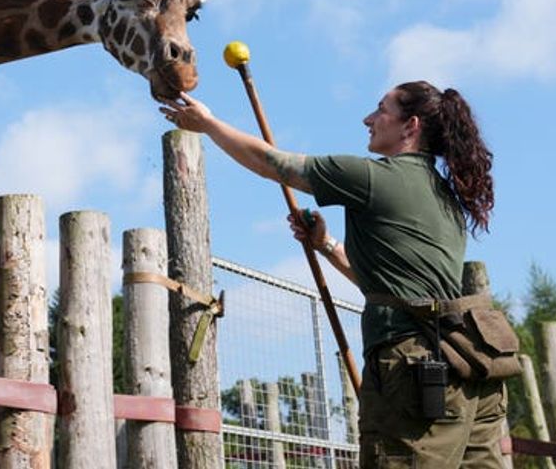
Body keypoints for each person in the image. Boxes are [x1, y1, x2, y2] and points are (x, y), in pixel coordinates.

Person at [159, 81, 505, 468]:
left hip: (413, 369)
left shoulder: (373, 177)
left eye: (381, 110)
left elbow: (271, 163)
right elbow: (392, 289)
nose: (368, 119)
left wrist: (207, 124)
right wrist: (326, 246)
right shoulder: (446, 198)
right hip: (469, 370)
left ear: (410, 126)